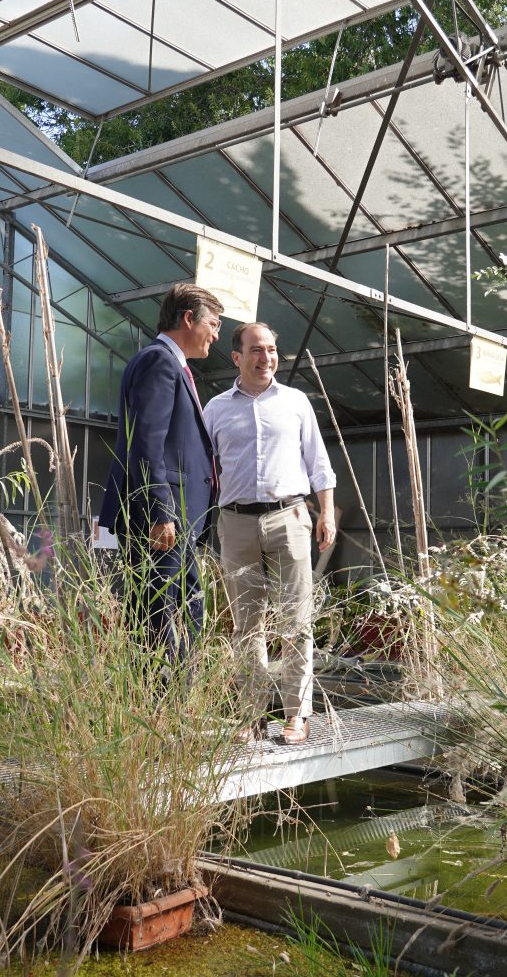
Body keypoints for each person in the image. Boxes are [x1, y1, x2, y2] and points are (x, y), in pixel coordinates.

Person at [203, 321, 336, 745]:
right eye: (257, 350)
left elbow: (318, 462)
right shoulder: (216, 409)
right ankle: (252, 715)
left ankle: (297, 715)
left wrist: (327, 513)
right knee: (247, 625)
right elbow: (203, 467)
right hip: (236, 522)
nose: (267, 358)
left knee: (296, 621)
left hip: (289, 517)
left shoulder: (295, 402)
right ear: (237, 357)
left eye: (272, 349)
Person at [98, 284, 223, 670]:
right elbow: (147, 444)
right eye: (213, 324)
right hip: (163, 522)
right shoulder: (159, 361)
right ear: (188, 319)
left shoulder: (168, 363)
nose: (216, 335)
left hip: (175, 521)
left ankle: (176, 701)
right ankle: (160, 702)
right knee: (160, 622)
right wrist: (160, 513)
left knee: (182, 615)